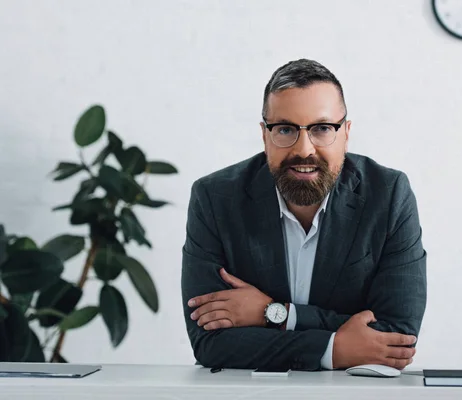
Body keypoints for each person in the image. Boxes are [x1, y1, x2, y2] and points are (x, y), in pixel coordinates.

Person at [181, 59, 427, 371]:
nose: (304, 149)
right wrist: (334, 349)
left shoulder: (389, 195)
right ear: (264, 135)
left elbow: (396, 338)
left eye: (322, 129)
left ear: (346, 133)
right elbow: (210, 344)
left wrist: (275, 313)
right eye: (285, 129)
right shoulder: (214, 199)